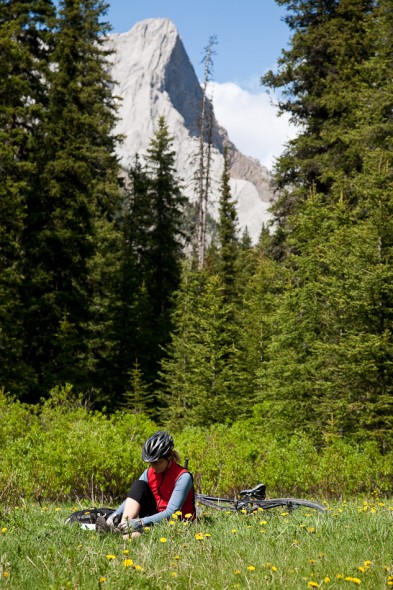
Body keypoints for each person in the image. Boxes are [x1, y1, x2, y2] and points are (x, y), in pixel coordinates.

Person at [97, 430, 195, 538]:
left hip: (175, 522)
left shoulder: (183, 477)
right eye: (152, 463)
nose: (154, 466)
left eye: (158, 462)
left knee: (136, 535)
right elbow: (134, 497)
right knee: (139, 485)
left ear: (169, 457)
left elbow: (171, 512)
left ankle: (120, 535)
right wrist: (115, 514)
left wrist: (141, 522)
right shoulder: (149, 473)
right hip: (152, 517)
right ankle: (122, 526)